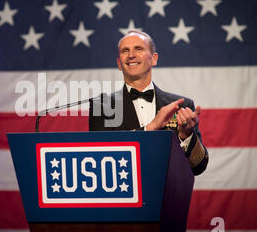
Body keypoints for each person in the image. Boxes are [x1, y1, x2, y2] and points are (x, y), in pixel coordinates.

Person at [89, 30, 208, 175]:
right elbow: (99, 158)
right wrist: (150, 127)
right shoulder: (101, 106)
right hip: (125, 195)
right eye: (125, 51)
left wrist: (186, 135)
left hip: (168, 196)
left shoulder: (182, 106)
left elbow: (198, 167)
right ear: (119, 63)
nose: (131, 55)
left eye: (138, 49)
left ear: (154, 59)